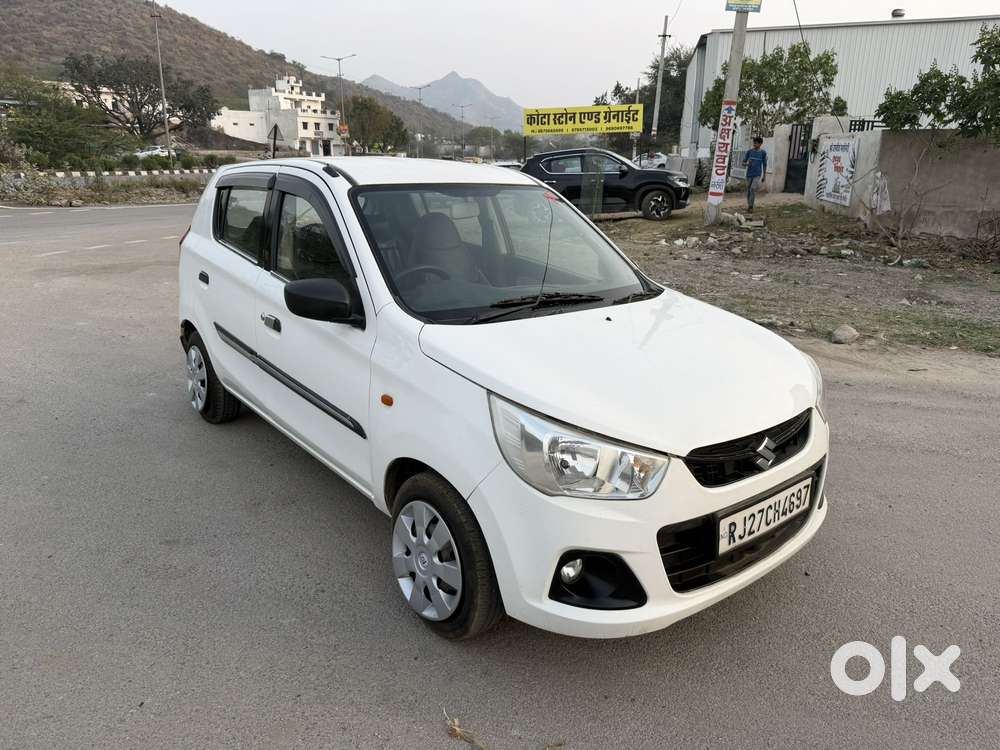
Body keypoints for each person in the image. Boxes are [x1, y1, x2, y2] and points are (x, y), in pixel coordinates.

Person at [743, 136, 767, 213]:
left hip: (757, 174)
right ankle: (749, 204)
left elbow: (764, 164)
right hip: (749, 174)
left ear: (760, 144)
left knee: (753, 188)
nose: (754, 144)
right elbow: (743, 163)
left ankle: (751, 206)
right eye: (754, 142)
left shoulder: (763, 153)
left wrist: (764, 175)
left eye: (756, 143)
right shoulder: (749, 152)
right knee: (749, 190)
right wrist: (747, 164)